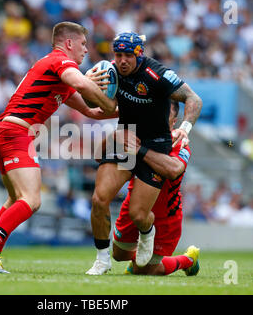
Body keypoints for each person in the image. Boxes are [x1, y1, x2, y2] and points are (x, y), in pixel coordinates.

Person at [0, 21, 116, 273]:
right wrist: (108, 101)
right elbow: (82, 85)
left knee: (15, 199)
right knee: (32, 200)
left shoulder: (60, 75)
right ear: (68, 43)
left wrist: (123, 109)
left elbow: (91, 111)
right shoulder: (60, 61)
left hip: (7, 131)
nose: (86, 51)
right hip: (15, 133)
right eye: (83, 44)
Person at [86, 31, 202, 275]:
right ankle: (101, 260)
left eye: (128, 55)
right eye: (118, 55)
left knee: (139, 215)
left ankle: (148, 233)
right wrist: (87, 83)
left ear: (139, 54)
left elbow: (194, 99)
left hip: (155, 144)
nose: (122, 60)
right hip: (125, 137)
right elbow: (94, 106)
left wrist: (185, 127)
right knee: (99, 199)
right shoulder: (110, 72)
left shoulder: (157, 74)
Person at [111, 101, 200, 276]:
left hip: (165, 215)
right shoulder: (137, 135)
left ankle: (188, 260)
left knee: (145, 270)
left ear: (173, 122)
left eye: (163, 116)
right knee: (118, 255)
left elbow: (173, 170)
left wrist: (140, 150)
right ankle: (140, 259)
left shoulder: (179, 143)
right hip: (133, 207)